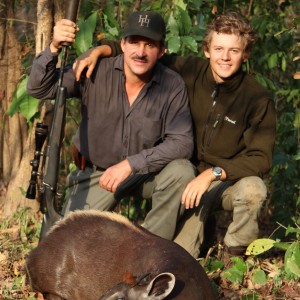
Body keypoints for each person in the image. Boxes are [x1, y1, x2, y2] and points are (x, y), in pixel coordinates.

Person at [73, 11, 277, 258]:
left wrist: (212, 174)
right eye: (219, 48)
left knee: (254, 190)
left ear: (245, 55)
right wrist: (100, 50)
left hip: (224, 182)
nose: (225, 57)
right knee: (179, 258)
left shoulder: (257, 98)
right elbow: (141, 53)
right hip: (186, 181)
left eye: (234, 51)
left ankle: (236, 258)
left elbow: (260, 158)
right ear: (207, 50)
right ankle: (199, 233)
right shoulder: (189, 70)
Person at [27, 11, 196, 241]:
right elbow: (39, 89)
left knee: (182, 172)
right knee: (68, 241)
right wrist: (54, 46)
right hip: (98, 173)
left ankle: (152, 251)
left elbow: (183, 142)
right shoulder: (94, 69)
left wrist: (130, 164)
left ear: (162, 50)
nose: (141, 52)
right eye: (134, 42)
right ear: (123, 44)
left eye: (150, 44)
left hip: (145, 174)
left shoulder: (172, 84)